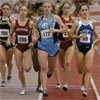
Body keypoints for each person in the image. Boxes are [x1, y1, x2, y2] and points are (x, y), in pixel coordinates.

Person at [32, 0, 67, 97]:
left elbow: (65, 28)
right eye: (45, 7)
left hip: (53, 46)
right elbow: (34, 28)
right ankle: (45, 89)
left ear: (51, 8)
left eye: (48, 7)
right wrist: (35, 36)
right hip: (42, 46)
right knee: (43, 67)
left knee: (50, 68)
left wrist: (55, 30)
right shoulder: (39, 19)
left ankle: (50, 72)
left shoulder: (55, 18)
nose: (47, 8)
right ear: (43, 8)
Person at [69, 3, 100, 97]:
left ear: (88, 11)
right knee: (80, 70)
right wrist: (78, 36)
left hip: (89, 48)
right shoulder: (77, 22)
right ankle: (83, 81)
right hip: (79, 48)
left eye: (86, 10)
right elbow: (71, 35)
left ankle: (85, 89)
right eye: (82, 10)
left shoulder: (92, 22)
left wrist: (94, 43)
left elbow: (97, 36)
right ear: (80, 12)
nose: (84, 12)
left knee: (88, 68)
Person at [10, 5, 38, 95]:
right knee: (20, 69)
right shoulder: (15, 23)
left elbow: (35, 35)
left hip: (27, 47)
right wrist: (9, 41)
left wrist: (33, 42)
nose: (23, 11)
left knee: (27, 68)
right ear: (19, 11)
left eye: (24, 10)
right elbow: (10, 34)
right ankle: (23, 87)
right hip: (18, 47)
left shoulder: (31, 23)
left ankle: (24, 86)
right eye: (21, 10)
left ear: (27, 12)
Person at [57, 1, 75, 91]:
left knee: (68, 62)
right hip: (61, 44)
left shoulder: (73, 19)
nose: (66, 10)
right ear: (62, 9)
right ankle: (64, 68)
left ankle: (66, 83)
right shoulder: (58, 19)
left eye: (68, 8)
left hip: (70, 43)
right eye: (65, 8)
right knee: (63, 65)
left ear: (70, 9)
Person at [0, 3, 15, 87]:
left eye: (7, 9)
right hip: (1, 42)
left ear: (9, 10)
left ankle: (9, 73)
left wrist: (7, 21)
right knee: (2, 59)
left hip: (10, 42)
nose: (6, 10)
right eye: (4, 9)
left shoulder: (12, 18)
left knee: (8, 62)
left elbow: (13, 28)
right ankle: (3, 79)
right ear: (2, 10)